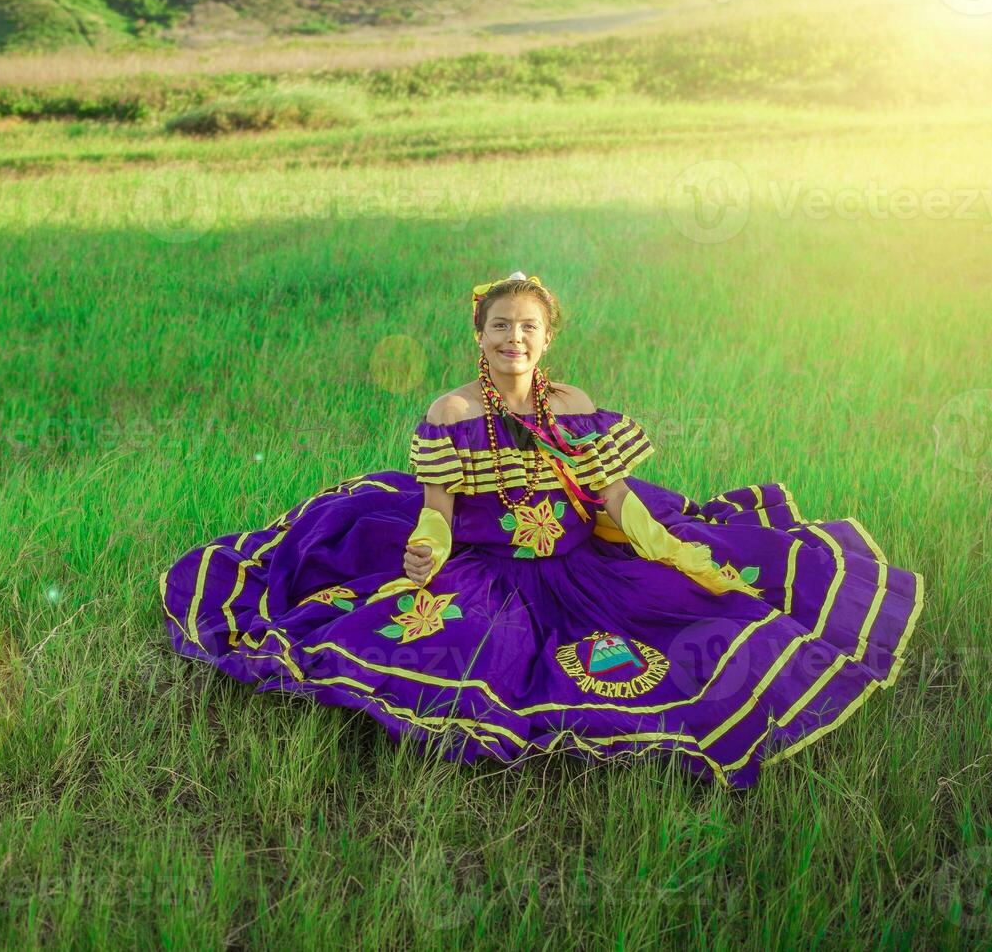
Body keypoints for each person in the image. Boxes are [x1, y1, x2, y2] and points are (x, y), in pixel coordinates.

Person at [158, 272, 924, 790]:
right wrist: (426, 547)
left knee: (706, 604)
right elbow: (437, 505)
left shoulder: (574, 402)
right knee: (457, 645)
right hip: (487, 562)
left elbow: (612, 493)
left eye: (527, 327)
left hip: (583, 555)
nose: (512, 340)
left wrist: (659, 542)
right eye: (499, 326)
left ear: (546, 337)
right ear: (479, 333)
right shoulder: (451, 413)